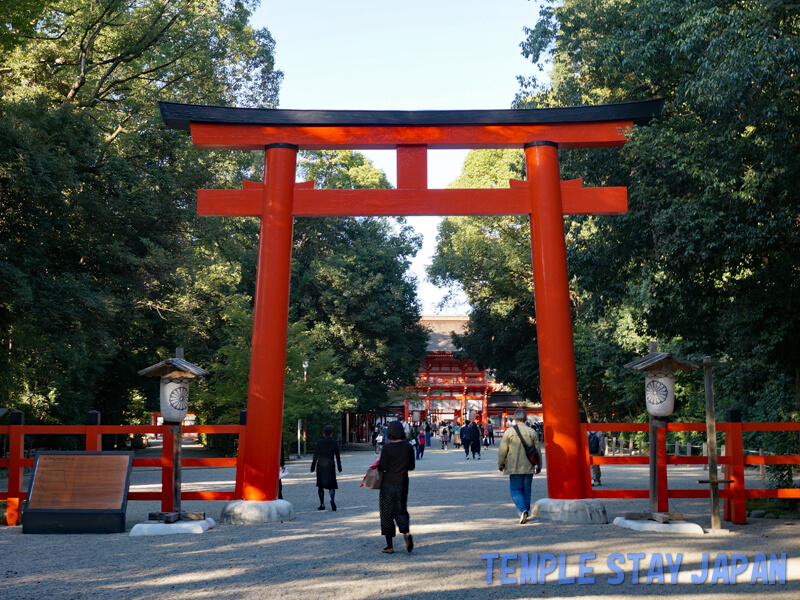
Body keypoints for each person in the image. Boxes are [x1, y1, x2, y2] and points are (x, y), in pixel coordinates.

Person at [498, 408, 542, 524]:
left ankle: (522, 510)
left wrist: (501, 464)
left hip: (514, 466)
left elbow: (503, 450)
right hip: (528, 466)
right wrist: (539, 465)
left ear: (515, 419)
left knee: (516, 490)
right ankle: (525, 511)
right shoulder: (532, 432)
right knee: (527, 490)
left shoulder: (509, 432)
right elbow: (537, 450)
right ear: (526, 419)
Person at [377, 421, 415, 554]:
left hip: (388, 482)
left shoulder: (387, 448)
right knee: (401, 509)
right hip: (403, 481)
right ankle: (406, 533)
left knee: (387, 512)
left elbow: (382, 467)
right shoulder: (408, 447)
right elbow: (411, 466)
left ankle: (389, 545)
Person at [310, 425, 342, 511]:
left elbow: (315, 455)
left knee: (320, 485)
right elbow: (337, 456)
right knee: (331, 485)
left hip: (321, 464)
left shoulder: (319, 442)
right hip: (330, 464)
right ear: (332, 433)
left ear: (323, 433)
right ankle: (332, 499)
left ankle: (322, 504)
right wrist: (339, 466)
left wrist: (312, 466)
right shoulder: (334, 443)